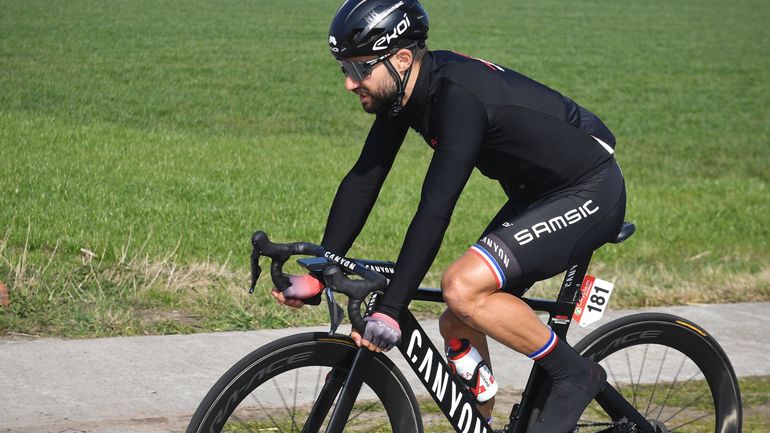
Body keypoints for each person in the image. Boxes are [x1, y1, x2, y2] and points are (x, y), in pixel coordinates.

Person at [271, 1, 626, 431]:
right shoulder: (403, 93)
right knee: (458, 319)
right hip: (538, 194)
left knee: (461, 287)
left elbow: (436, 206)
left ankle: (575, 374)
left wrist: (390, 308)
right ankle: (482, 420)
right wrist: (321, 265)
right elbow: (366, 178)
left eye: (361, 68)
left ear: (401, 58)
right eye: (345, 68)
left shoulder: (459, 99)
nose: (350, 82)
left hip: (588, 190)